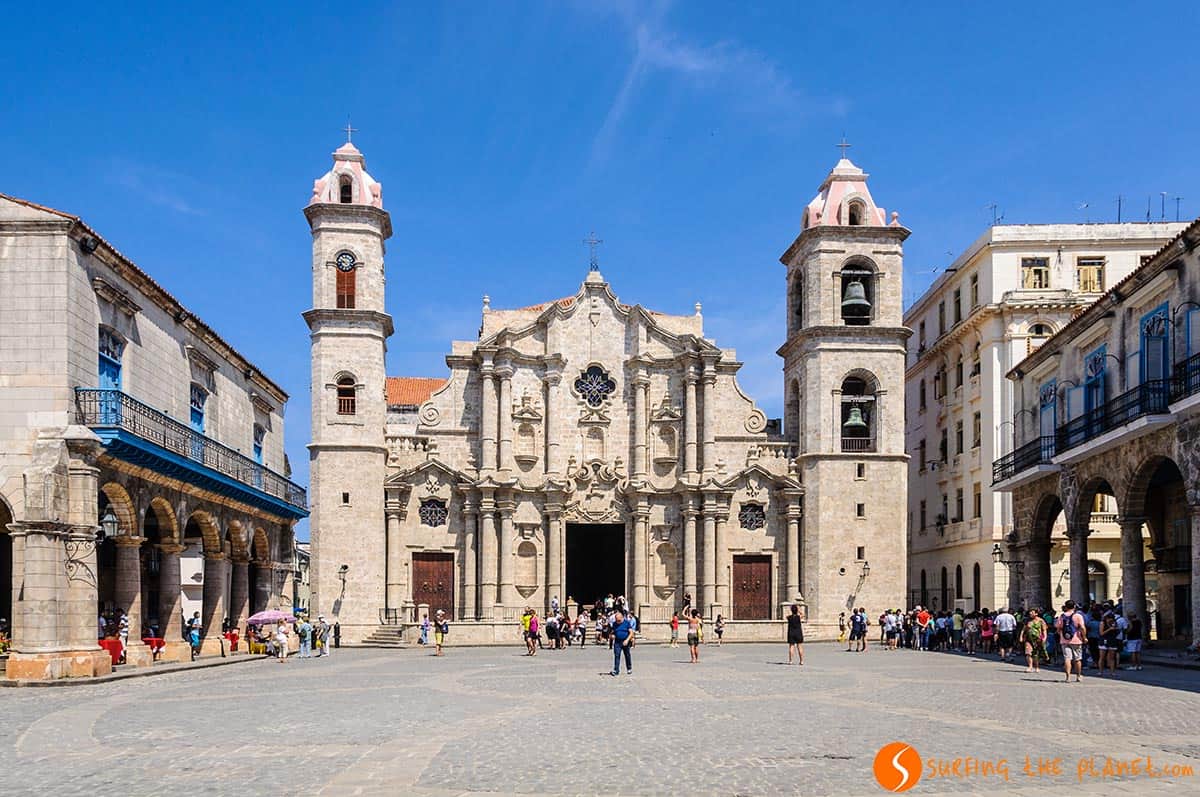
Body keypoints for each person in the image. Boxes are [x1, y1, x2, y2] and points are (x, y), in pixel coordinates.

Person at [1055, 600, 1086, 683]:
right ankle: (1078, 676)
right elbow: (1082, 628)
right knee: (1077, 659)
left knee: (1067, 658)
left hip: (1064, 640)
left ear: (1066, 606)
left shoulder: (1061, 616)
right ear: (1074, 607)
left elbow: (1058, 629)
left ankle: (1068, 677)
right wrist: (1084, 637)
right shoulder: (1078, 616)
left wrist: (1062, 635)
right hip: (1076, 639)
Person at [1022, 607, 1048, 673]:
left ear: (1036, 613)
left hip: (1037, 639)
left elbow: (1044, 630)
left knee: (1035, 654)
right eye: (1030, 612)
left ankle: (1036, 667)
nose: (1030, 613)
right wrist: (1021, 637)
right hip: (1028, 639)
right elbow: (1023, 629)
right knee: (1028, 653)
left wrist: (1044, 637)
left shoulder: (1041, 621)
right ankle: (1030, 666)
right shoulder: (1027, 620)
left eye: (1032, 612)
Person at [609, 609, 634, 676]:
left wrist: (627, 640)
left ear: (622, 618)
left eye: (619, 620)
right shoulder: (614, 624)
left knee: (627, 655)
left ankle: (629, 668)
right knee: (617, 655)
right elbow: (612, 632)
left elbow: (631, 633)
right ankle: (616, 670)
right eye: (616, 620)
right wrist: (612, 635)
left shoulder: (627, 623)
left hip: (625, 641)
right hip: (617, 642)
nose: (617, 622)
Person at [1099, 608, 1121, 676]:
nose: (1110, 620)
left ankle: (1112, 672)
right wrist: (1109, 629)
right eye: (1109, 618)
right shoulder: (1103, 623)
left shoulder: (1114, 623)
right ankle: (1101, 671)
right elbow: (1101, 633)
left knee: (1112, 657)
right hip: (1104, 640)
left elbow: (1117, 631)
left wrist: (1116, 629)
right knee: (1102, 657)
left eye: (1111, 618)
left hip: (1112, 640)